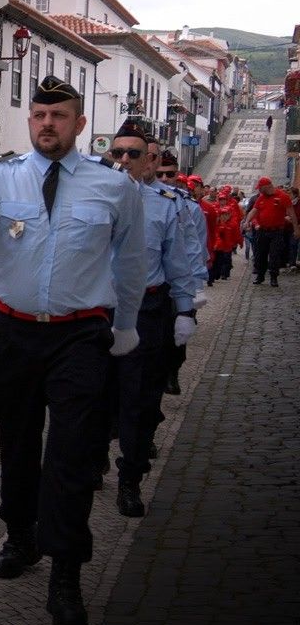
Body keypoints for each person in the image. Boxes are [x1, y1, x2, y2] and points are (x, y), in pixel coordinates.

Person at [0, 76, 146, 625]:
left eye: (59, 115)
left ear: (79, 125)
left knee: (73, 454)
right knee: (18, 442)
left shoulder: (113, 186)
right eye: (39, 114)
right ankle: (22, 538)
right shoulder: (1, 178)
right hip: (14, 333)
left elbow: (130, 261)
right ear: (29, 121)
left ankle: (67, 571)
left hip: (80, 335)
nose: (47, 123)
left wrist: (124, 325)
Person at [92, 124, 198, 518]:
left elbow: (178, 261)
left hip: (145, 312)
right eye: (115, 154)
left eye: (132, 154)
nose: (122, 161)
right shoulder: (89, 199)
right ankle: (94, 459)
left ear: (147, 160)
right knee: (94, 394)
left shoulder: (165, 203)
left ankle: (131, 479)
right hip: (96, 312)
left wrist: (185, 308)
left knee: (138, 401)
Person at [154, 152, 208, 397]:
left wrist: (196, 286)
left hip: (179, 281)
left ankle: (172, 373)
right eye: (160, 174)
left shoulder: (190, 207)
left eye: (170, 174)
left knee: (177, 336)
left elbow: (196, 246)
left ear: (178, 175)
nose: (165, 179)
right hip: (152, 280)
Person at [243, 176, 300, 286]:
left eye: (260, 188)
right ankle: (260, 276)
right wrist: (247, 221)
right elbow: (254, 211)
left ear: (267, 186)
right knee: (260, 255)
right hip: (262, 231)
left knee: (274, 255)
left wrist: (296, 229)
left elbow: (291, 213)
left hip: (277, 232)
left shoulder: (283, 197)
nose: (259, 190)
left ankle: (274, 277)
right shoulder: (261, 198)